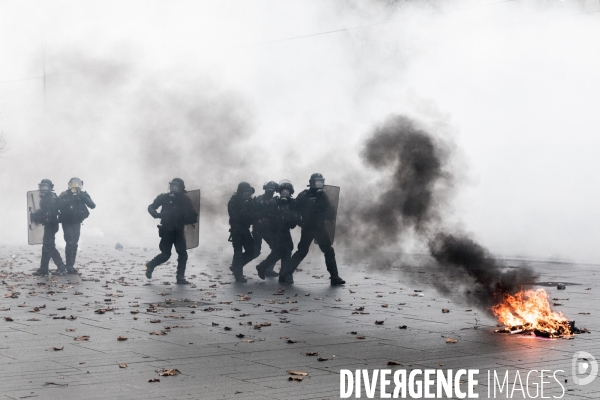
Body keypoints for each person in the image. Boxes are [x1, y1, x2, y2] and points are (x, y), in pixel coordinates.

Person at [288, 173, 345, 286]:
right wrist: (300, 222)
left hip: (319, 227)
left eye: (321, 182)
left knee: (328, 250)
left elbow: (329, 210)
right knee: (302, 251)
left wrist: (323, 202)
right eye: (317, 182)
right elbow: (294, 209)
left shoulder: (323, 195)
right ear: (311, 183)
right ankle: (286, 274)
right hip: (308, 228)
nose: (319, 184)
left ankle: (334, 277)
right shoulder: (304, 195)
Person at [145, 178, 197, 284]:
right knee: (165, 255)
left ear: (181, 187)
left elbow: (192, 215)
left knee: (182, 254)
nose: (174, 188)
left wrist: (186, 216)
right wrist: (156, 214)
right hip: (167, 229)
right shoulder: (164, 197)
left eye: (176, 186)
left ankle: (180, 277)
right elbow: (151, 207)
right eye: (172, 185)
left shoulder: (185, 199)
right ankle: (151, 265)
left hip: (178, 230)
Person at [256, 180, 299, 284]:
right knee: (279, 252)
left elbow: (294, 222)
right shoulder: (274, 202)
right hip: (275, 232)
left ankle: (281, 275)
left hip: (285, 231)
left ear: (291, 192)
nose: (285, 193)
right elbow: (267, 215)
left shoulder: (292, 204)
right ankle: (264, 267)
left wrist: (292, 218)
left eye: (287, 191)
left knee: (287, 251)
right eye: (283, 190)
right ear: (280, 192)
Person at [58, 177, 96, 274]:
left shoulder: (83, 195)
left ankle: (71, 265)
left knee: (74, 243)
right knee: (69, 241)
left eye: (78, 184)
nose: (75, 186)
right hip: (66, 221)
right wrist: (71, 198)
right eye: (73, 184)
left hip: (76, 222)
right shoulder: (64, 194)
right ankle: (68, 265)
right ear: (69, 185)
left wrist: (81, 196)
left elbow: (92, 205)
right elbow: (58, 206)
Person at [31, 179, 68, 276]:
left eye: (45, 187)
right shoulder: (46, 197)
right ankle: (44, 268)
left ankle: (61, 267)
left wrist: (38, 216)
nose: (43, 189)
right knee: (46, 246)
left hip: (51, 224)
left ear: (50, 188)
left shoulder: (51, 198)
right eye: (42, 187)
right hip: (49, 224)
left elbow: (49, 213)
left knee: (50, 247)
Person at [228, 182, 255, 283]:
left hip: (245, 229)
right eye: (245, 191)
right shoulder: (233, 201)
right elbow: (235, 217)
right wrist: (245, 208)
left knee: (252, 251)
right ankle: (238, 275)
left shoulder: (250, 202)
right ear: (240, 192)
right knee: (238, 253)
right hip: (236, 230)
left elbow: (253, 217)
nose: (247, 194)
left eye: (249, 191)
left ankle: (235, 267)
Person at [252, 181, 279, 278]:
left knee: (276, 249)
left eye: (272, 189)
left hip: (270, 230)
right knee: (255, 251)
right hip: (258, 229)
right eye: (269, 189)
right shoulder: (257, 199)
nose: (270, 191)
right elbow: (252, 213)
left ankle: (268, 269)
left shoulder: (276, 201)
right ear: (265, 188)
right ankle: (237, 266)